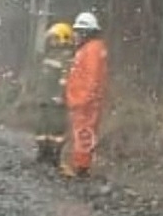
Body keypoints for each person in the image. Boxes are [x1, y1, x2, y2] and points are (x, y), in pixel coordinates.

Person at [62, 11, 108, 178]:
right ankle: (80, 164)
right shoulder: (91, 49)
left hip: (85, 102)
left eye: (79, 31)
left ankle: (81, 167)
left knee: (84, 133)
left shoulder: (92, 50)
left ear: (86, 32)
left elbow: (91, 78)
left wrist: (82, 99)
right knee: (83, 132)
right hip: (84, 100)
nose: (76, 35)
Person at [35, 22, 75, 168]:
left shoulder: (66, 57)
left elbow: (65, 79)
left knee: (56, 128)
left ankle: (54, 155)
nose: (51, 41)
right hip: (45, 99)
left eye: (54, 38)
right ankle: (42, 152)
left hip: (56, 101)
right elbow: (42, 78)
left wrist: (60, 95)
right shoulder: (49, 55)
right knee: (42, 126)